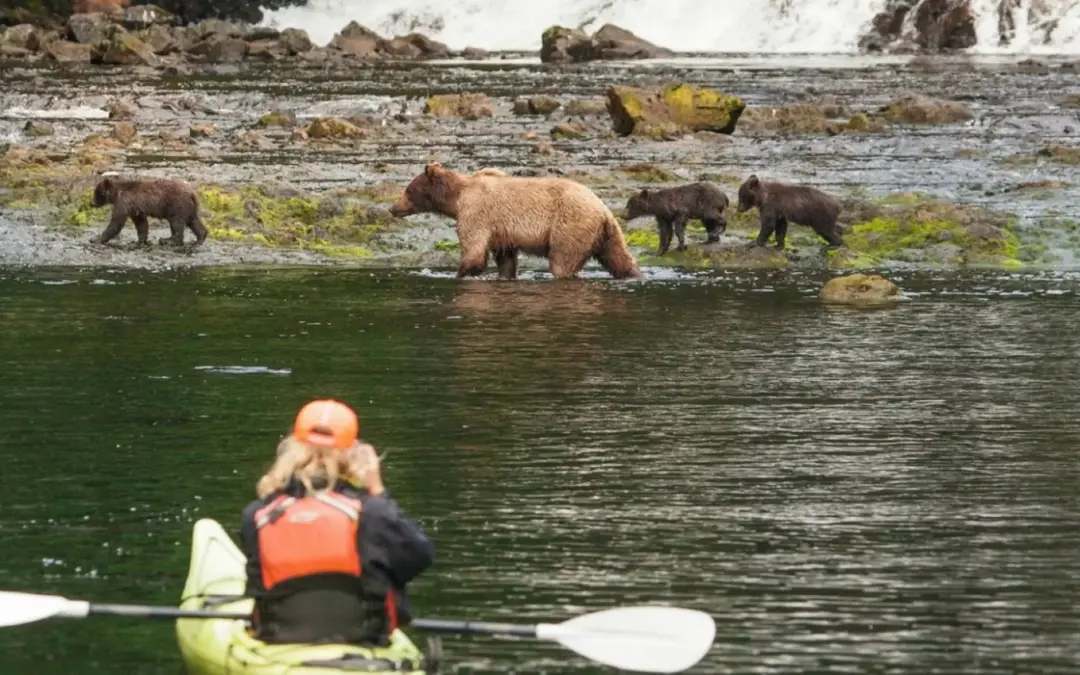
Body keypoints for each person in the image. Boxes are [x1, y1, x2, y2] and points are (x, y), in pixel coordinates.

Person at [240, 399, 436, 645]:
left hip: (279, 638)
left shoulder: (258, 514)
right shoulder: (372, 511)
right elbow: (420, 557)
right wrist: (378, 491)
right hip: (364, 639)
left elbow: (257, 579)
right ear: (354, 453)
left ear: (291, 449)